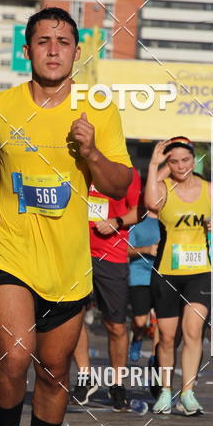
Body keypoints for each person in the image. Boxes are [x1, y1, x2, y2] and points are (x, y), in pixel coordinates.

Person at [0, 7, 132, 426]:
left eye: (63, 41)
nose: (54, 49)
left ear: (77, 52)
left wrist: (92, 153)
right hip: (10, 253)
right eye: (43, 41)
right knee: (16, 356)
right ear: (27, 49)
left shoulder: (97, 110)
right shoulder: (0, 107)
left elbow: (119, 185)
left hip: (68, 264)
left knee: (56, 372)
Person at [144, 136, 211, 416]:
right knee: (167, 338)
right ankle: (165, 391)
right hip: (167, 273)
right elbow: (150, 203)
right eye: (174, 161)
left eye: (185, 159)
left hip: (200, 272)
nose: (181, 166)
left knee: (193, 331)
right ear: (167, 163)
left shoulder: (211, 190)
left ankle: (188, 393)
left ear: (194, 159)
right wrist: (153, 165)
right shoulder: (163, 187)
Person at [72, 171, 142, 409]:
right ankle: (85, 377)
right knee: (73, 318)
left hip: (111, 256)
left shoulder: (127, 173)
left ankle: (118, 383)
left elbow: (139, 210)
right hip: (76, 254)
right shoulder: (77, 167)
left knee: (116, 325)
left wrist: (117, 221)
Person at [127, 207, 160, 366]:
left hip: (163, 275)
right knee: (140, 321)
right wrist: (147, 249)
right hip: (139, 274)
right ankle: (137, 338)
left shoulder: (168, 220)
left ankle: (155, 357)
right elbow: (125, 249)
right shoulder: (137, 219)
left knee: (163, 320)